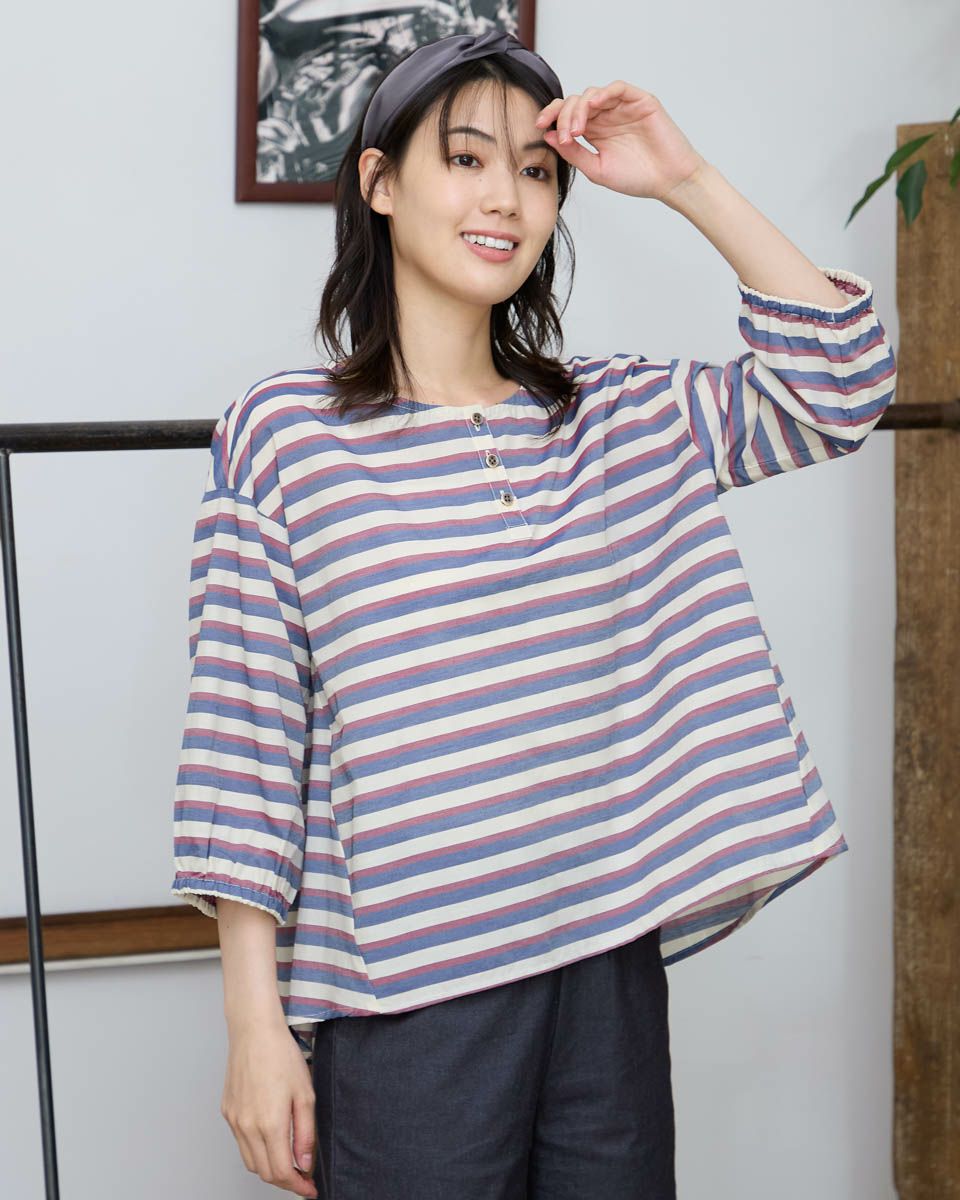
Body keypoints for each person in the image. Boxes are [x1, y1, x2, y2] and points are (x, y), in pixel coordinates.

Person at [169, 28, 897, 1200]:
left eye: (536, 170)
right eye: (465, 158)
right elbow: (242, 742)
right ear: (380, 182)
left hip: (606, 968)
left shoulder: (615, 417)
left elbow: (840, 388)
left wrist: (685, 179)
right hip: (410, 999)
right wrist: (255, 1029)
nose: (506, 197)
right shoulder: (287, 435)